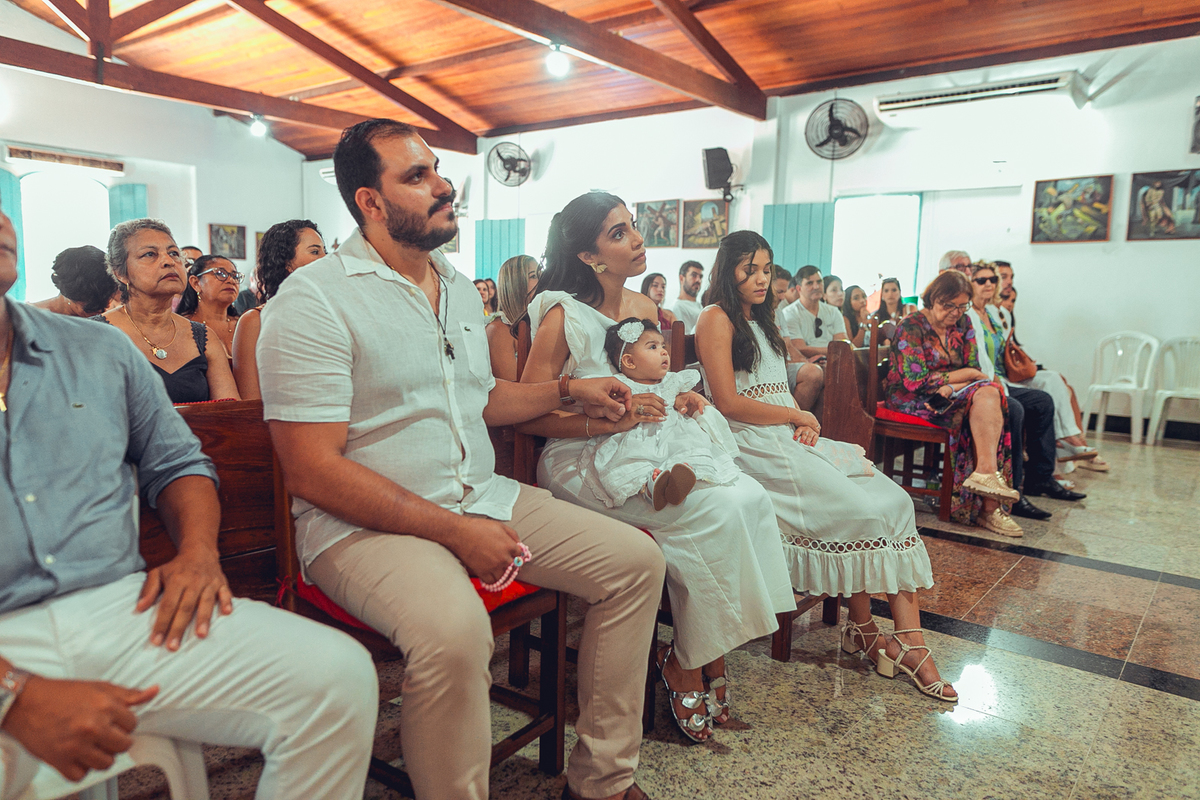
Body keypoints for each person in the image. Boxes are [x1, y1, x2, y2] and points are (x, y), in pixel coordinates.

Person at [257, 120, 666, 800]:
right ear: (370, 202)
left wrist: (570, 388)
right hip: (361, 527)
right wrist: (451, 531)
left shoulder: (451, 285)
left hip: (478, 492)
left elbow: (481, 398)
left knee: (636, 563)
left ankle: (600, 782)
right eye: (415, 177)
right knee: (453, 632)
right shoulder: (314, 299)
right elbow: (312, 470)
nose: (443, 185)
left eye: (438, 169)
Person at [0, 201, 378, 799]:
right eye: (149, 254)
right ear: (119, 271)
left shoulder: (94, 351)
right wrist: (12, 694)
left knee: (336, 677)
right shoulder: (113, 330)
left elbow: (179, 459)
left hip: (114, 603)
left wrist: (199, 554)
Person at [520, 191, 795, 745]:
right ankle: (688, 664)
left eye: (634, 226)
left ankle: (703, 648)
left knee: (750, 499)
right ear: (589, 256)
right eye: (618, 233)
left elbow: (664, 385)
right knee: (711, 510)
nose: (638, 239)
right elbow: (529, 414)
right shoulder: (562, 313)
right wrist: (607, 421)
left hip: (660, 446)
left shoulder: (647, 311)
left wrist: (687, 401)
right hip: (586, 455)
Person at [695, 231, 955, 702]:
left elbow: (771, 388)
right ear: (726, 268)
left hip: (782, 435)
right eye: (749, 268)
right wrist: (796, 414)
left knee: (892, 500)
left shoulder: (762, 318)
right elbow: (729, 403)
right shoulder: (714, 318)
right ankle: (884, 638)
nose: (761, 278)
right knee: (860, 512)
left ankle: (889, 636)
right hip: (749, 447)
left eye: (767, 268)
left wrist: (802, 424)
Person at [883, 270, 1023, 536]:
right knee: (984, 399)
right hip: (910, 399)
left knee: (989, 394)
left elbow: (975, 367)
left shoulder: (963, 325)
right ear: (933, 299)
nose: (955, 313)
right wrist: (966, 377)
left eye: (962, 306)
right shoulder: (911, 326)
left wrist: (952, 384)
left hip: (951, 393)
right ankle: (989, 508)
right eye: (948, 306)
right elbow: (916, 381)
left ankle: (985, 478)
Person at [966, 263, 1085, 522]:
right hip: (986, 382)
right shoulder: (968, 315)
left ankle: (1041, 478)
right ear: (969, 283)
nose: (988, 284)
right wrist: (995, 381)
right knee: (1017, 409)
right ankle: (1015, 490)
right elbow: (976, 360)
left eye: (992, 280)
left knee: (1044, 398)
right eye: (981, 280)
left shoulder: (996, 314)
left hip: (1005, 377)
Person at [581, 317, 739, 510]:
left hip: (674, 434)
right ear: (629, 361)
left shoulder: (672, 381)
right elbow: (591, 404)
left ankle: (681, 479)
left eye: (663, 345)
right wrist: (605, 409)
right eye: (653, 347)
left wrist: (691, 403)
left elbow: (694, 404)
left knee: (689, 450)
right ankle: (651, 488)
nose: (664, 351)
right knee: (632, 462)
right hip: (637, 437)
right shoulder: (620, 384)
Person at [92, 220, 239, 405]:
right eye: (150, 254)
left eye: (174, 253)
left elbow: (231, 413)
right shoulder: (92, 334)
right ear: (121, 273)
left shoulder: (204, 337)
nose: (169, 261)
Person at [230, 219, 325, 400]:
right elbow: (251, 402)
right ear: (287, 263)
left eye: (324, 251)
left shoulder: (330, 316)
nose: (325, 259)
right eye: (315, 251)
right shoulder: (255, 322)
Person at [778, 265, 847, 414]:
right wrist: (830, 352)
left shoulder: (833, 311)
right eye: (809, 283)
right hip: (806, 361)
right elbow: (799, 348)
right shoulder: (789, 313)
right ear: (798, 288)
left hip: (832, 360)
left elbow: (843, 344)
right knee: (825, 372)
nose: (816, 286)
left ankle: (836, 425)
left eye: (819, 282)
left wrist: (829, 354)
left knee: (846, 371)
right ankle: (798, 422)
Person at [485, 253, 539, 382]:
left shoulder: (537, 321)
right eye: (533, 276)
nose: (541, 280)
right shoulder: (499, 329)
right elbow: (511, 388)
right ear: (515, 283)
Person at [176, 256, 240, 358]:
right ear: (196, 283)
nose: (231, 280)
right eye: (220, 273)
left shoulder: (243, 324)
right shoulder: (182, 327)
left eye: (235, 276)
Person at [30, 245, 119, 317]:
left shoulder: (114, 311)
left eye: (109, 298)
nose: (105, 308)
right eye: (92, 306)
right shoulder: (35, 317)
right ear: (70, 294)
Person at [667, 260, 703, 334]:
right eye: (694, 275)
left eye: (700, 277)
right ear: (681, 278)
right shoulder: (677, 307)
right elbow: (684, 338)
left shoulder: (699, 305)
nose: (698, 280)